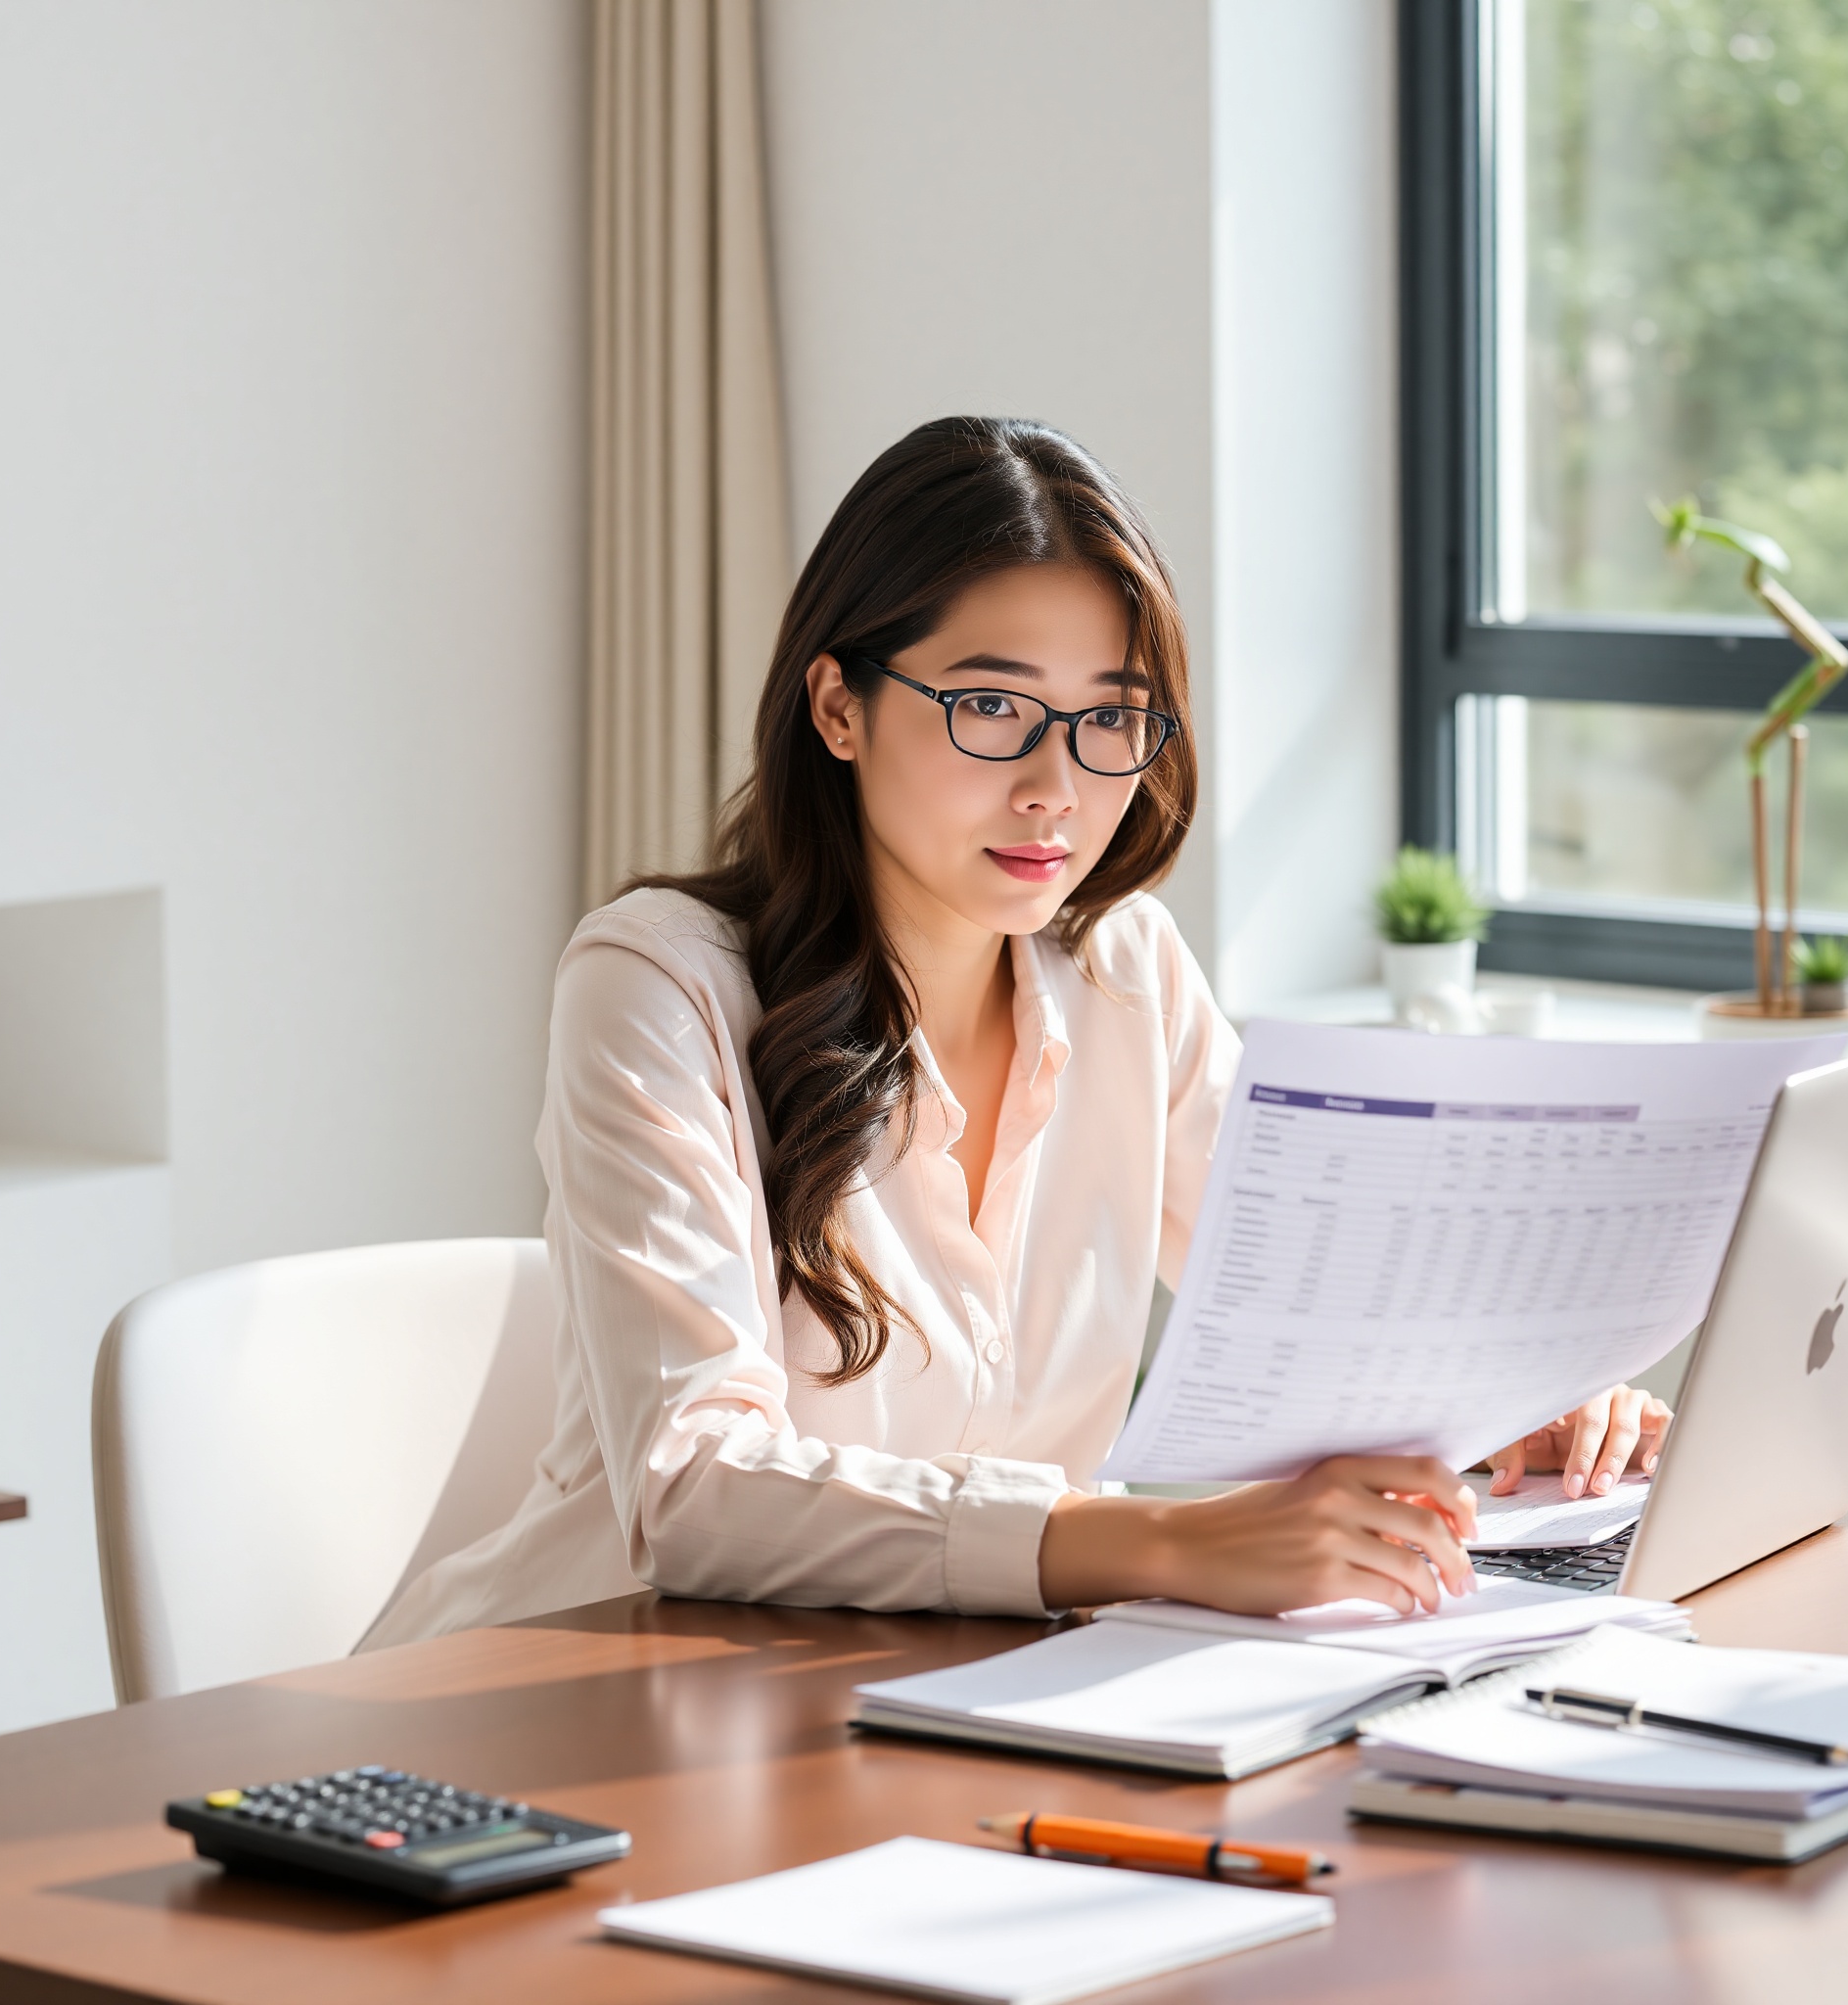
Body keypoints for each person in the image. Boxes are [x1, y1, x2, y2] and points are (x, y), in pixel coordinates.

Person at [365, 417, 1669, 1651]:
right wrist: (1162, 1540)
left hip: (939, 1698)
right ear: (838, 708)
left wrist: (1518, 1400)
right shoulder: (659, 985)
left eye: (1109, 717)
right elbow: (696, 1486)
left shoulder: (1125, 975)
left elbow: (1323, 1304)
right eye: (991, 708)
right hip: (586, 1704)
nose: (1056, 785)